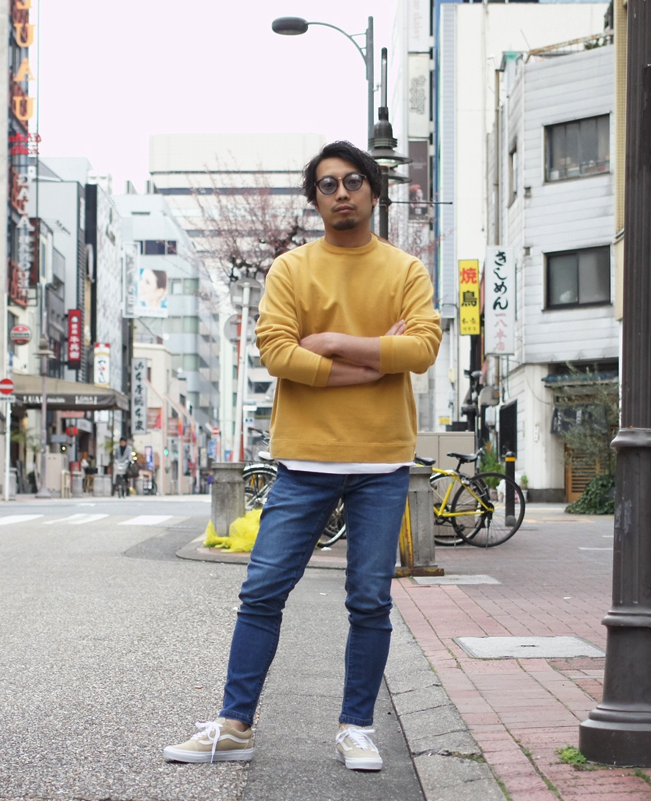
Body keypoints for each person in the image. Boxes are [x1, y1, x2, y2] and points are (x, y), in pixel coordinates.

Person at [164, 141, 441, 771]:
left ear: (374, 191)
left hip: (381, 462)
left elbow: (422, 349)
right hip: (304, 460)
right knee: (262, 590)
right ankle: (235, 726)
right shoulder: (291, 269)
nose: (341, 193)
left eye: (353, 181)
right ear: (314, 199)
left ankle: (357, 728)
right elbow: (277, 353)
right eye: (327, 184)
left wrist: (335, 342)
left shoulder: (405, 271)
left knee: (369, 600)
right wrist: (374, 362)